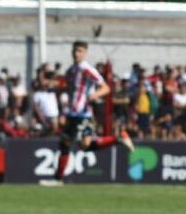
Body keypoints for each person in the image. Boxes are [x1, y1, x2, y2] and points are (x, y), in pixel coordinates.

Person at [40, 41, 135, 186]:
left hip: (83, 114)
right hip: (73, 114)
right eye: (74, 50)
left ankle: (58, 179)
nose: (76, 53)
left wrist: (94, 95)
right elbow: (68, 87)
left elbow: (106, 88)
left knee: (77, 144)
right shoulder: (71, 70)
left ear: (85, 53)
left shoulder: (87, 69)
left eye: (79, 51)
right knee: (72, 144)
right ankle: (58, 179)